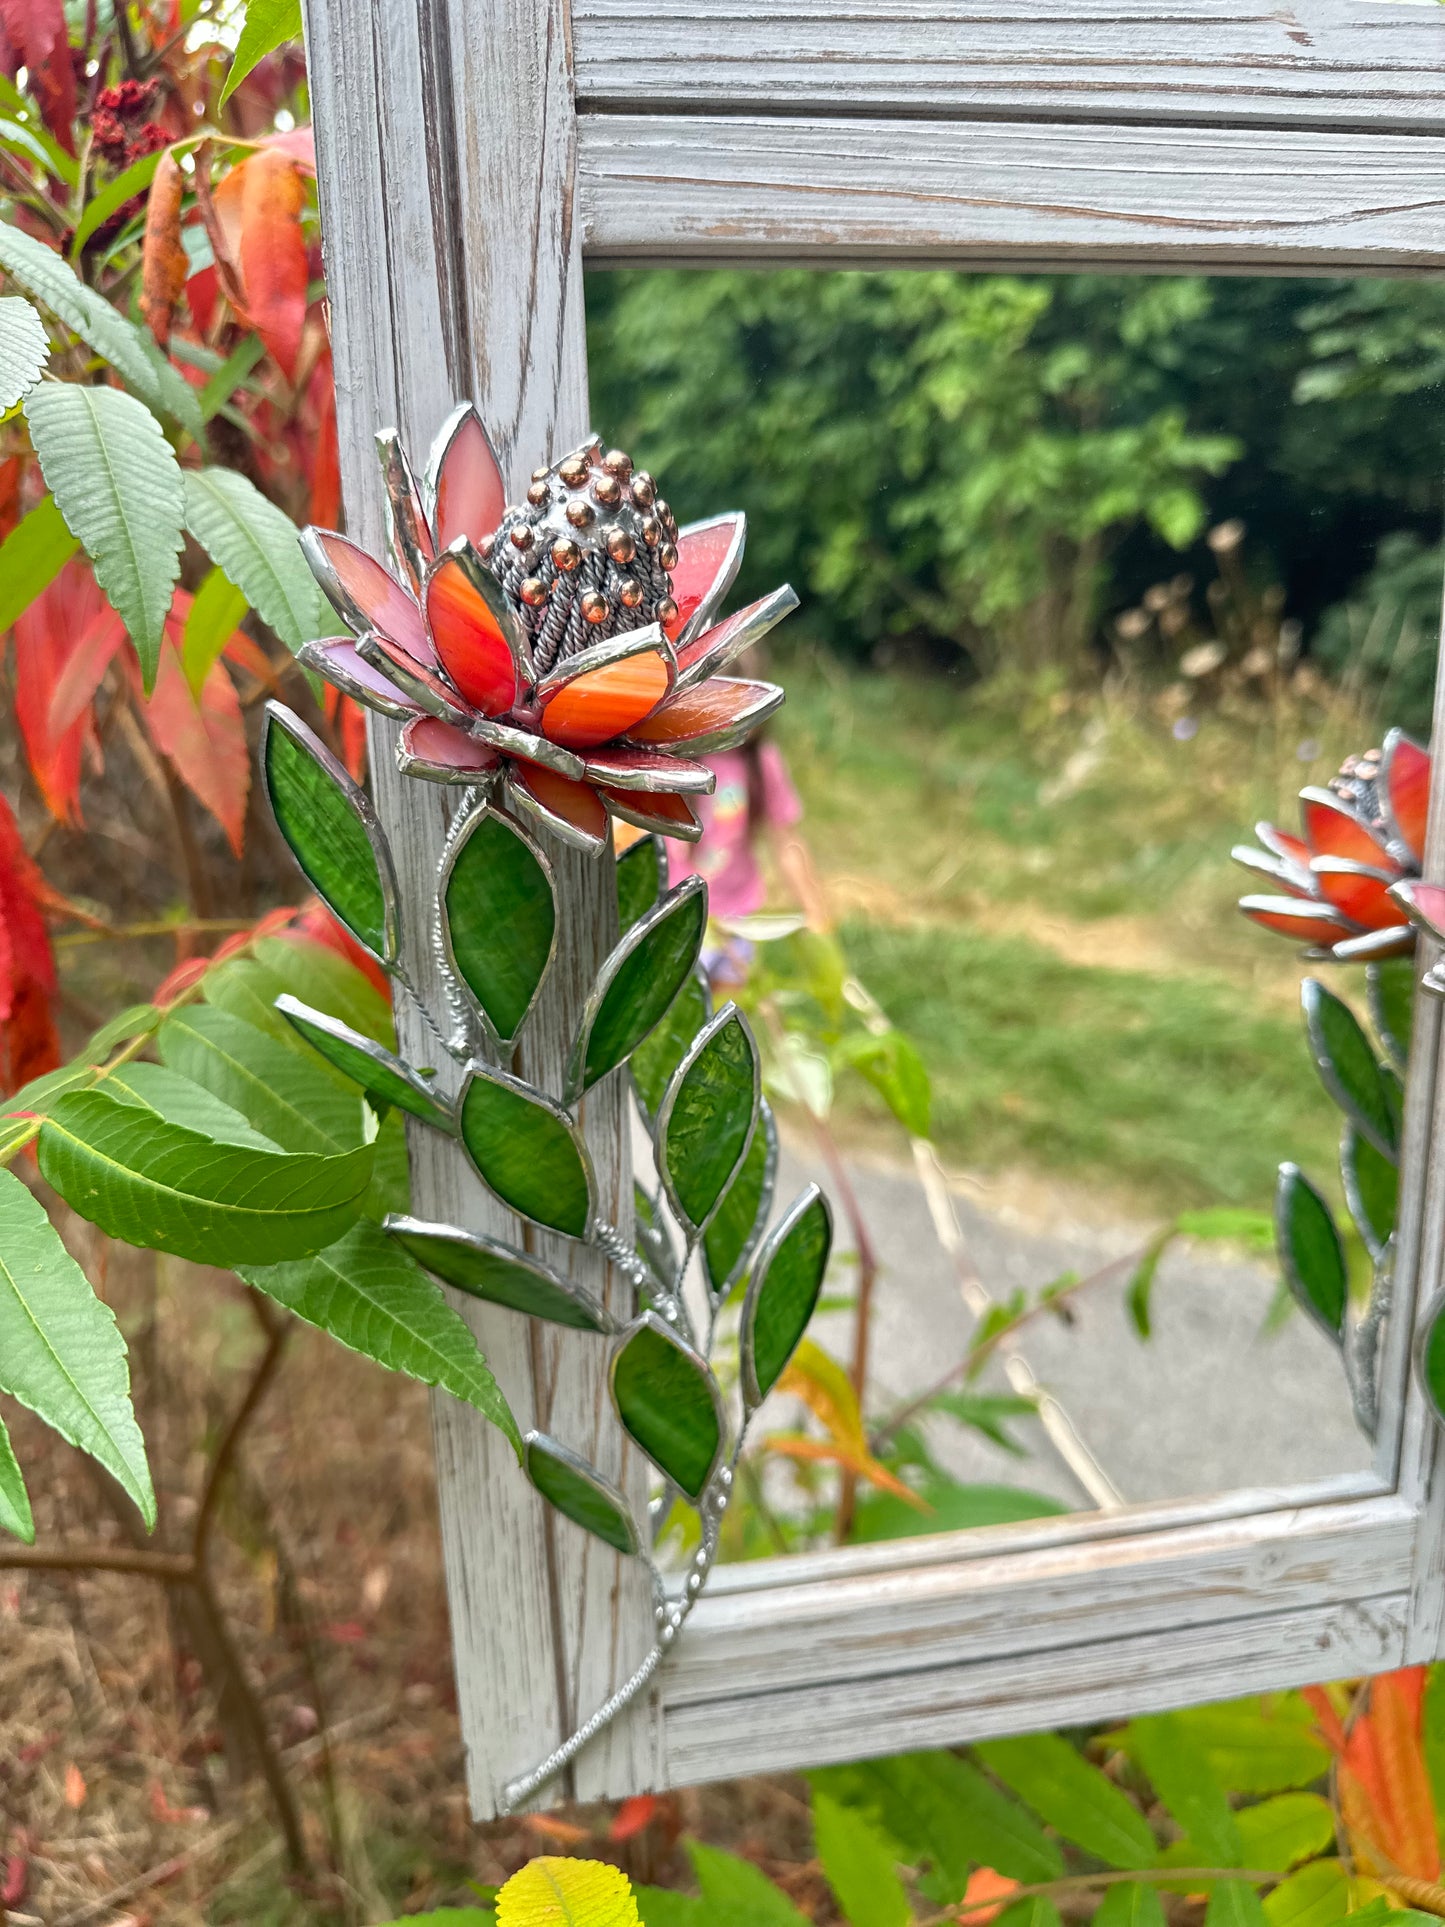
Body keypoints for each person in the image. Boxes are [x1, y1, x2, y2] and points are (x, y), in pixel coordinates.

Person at [667, 733, 829, 988]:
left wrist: (816, 912)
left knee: (730, 1008)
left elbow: (786, 841)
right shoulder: (666, 756)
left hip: (737, 917)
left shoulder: (759, 759)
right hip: (675, 919)